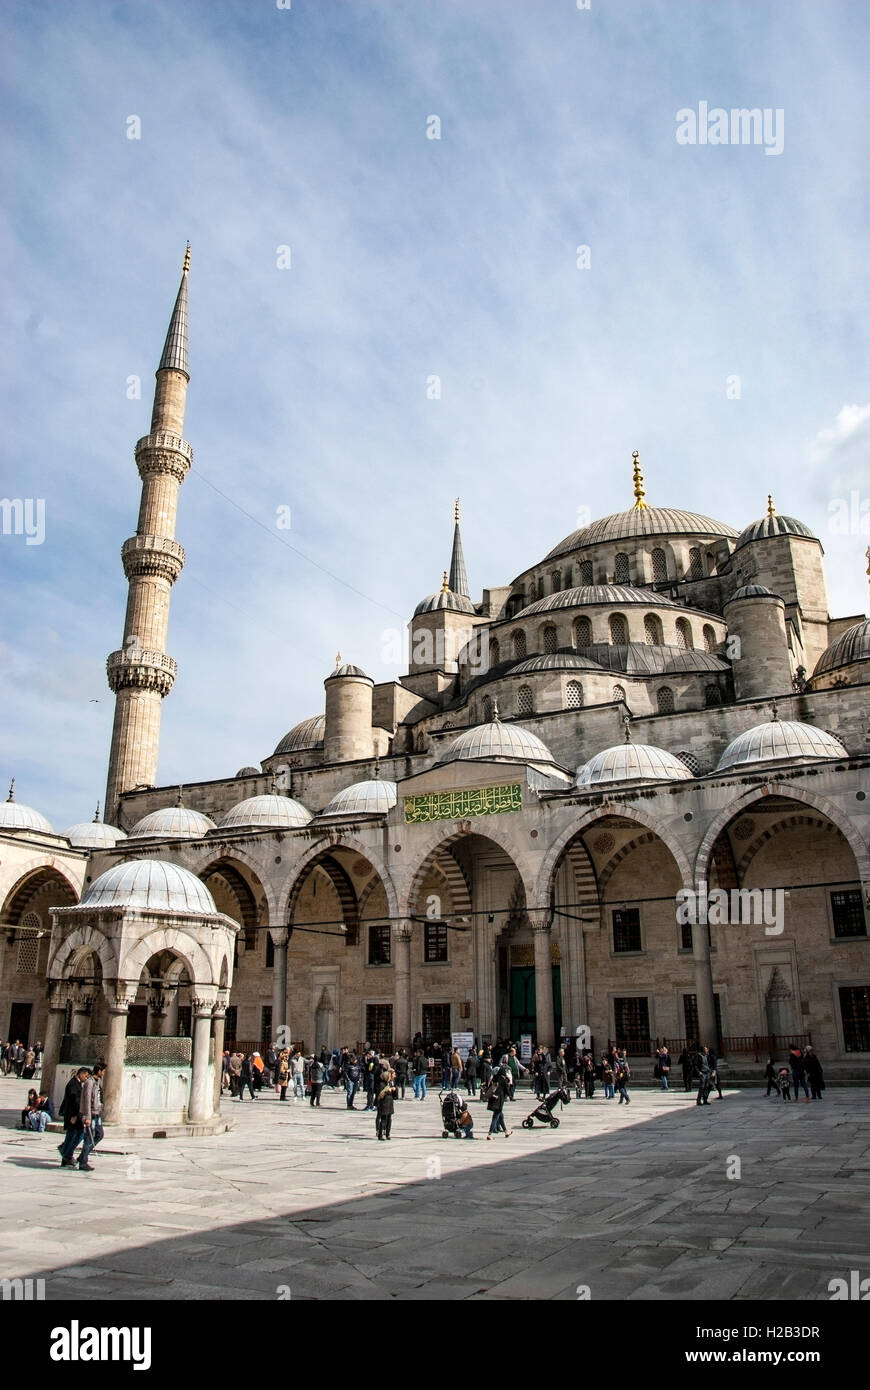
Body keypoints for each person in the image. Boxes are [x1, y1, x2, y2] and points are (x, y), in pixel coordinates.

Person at [58, 1067, 90, 1168]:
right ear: (81, 1074)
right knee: (79, 1135)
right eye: (85, 1076)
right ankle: (67, 1155)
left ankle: (65, 1158)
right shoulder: (73, 1084)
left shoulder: (75, 1083)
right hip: (73, 1115)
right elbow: (74, 1101)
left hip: (72, 1114)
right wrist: (74, 1115)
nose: (86, 1078)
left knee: (70, 1135)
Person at [78, 1063, 105, 1167]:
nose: (103, 1073)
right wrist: (87, 1116)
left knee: (99, 1134)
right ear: (99, 1071)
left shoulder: (97, 1082)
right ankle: (83, 1162)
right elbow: (87, 1099)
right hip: (91, 1114)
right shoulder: (90, 1082)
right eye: (103, 1071)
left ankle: (82, 1156)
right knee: (89, 1138)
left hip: (97, 1113)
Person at [485, 1065, 512, 1139]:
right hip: (499, 1101)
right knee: (495, 1117)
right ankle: (489, 1134)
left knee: (501, 1117)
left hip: (493, 1099)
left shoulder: (495, 1078)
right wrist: (511, 1096)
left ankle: (506, 1132)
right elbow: (507, 1090)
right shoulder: (503, 1080)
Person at [375, 1072, 398, 1140]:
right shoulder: (381, 1084)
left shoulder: (390, 1083)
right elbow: (380, 1094)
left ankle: (388, 1134)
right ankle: (380, 1134)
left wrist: (394, 1089)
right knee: (383, 1119)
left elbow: (394, 1095)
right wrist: (388, 1090)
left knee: (389, 1119)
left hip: (390, 1102)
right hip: (384, 1103)